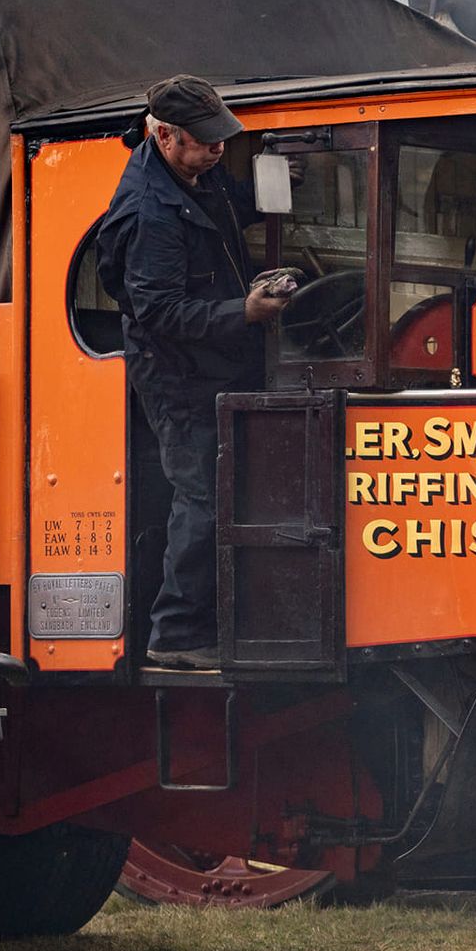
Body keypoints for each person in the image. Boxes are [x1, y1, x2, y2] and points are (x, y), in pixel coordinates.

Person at [96, 75, 295, 669]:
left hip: (216, 361)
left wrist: (277, 184)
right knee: (203, 493)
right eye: (205, 140)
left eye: (220, 137)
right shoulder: (149, 213)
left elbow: (227, 208)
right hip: (176, 375)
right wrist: (245, 312)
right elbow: (159, 311)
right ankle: (177, 636)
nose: (217, 149)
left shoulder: (197, 175)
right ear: (164, 136)